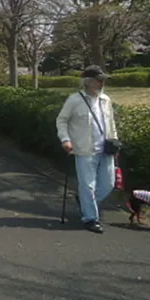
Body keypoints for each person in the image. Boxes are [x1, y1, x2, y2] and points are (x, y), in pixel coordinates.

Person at [56, 65, 119, 234]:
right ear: (88, 82)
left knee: (108, 184)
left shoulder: (106, 100)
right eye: (99, 80)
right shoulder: (75, 100)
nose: (101, 83)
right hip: (84, 150)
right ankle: (90, 218)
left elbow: (111, 123)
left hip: (106, 150)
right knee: (88, 186)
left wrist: (115, 141)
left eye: (103, 80)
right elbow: (62, 121)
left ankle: (84, 201)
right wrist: (65, 140)